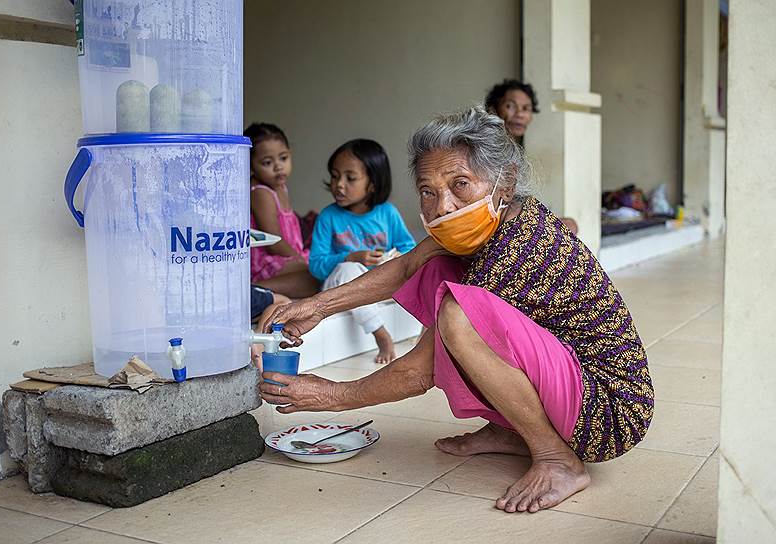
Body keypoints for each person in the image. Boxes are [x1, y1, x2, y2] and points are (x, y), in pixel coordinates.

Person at [260, 107, 653, 514]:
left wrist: (332, 395)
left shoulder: (518, 249)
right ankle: (512, 429)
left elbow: (420, 370)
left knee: (458, 317)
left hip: (608, 412)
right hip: (573, 382)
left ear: (505, 183)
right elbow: (409, 265)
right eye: (428, 191)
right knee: (435, 268)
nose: (443, 206)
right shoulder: (495, 220)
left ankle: (557, 458)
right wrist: (318, 306)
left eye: (460, 184)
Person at [309, 139, 416, 364]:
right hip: (340, 288)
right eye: (335, 175)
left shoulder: (387, 213)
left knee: (428, 270)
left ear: (373, 184)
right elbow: (316, 265)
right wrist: (350, 256)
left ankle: (429, 338)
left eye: (350, 178)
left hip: (378, 288)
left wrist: (395, 258)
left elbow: (409, 248)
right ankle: (381, 335)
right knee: (349, 270)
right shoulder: (328, 216)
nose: (339, 184)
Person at [485, 79, 579, 234]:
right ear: (493, 110)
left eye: (526, 108)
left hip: (511, 222)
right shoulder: (486, 148)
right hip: (490, 226)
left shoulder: (515, 150)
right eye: (510, 106)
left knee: (570, 225)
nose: (520, 114)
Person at [244, 123, 319, 298]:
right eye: (267, 162)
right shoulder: (261, 192)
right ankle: (252, 290)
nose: (278, 166)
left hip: (286, 257)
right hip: (264, 263)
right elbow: (274, 243)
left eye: (283, 158)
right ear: (251, 165)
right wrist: (301, 259)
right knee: (315, 277)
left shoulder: (281, 187)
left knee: (320, 271)